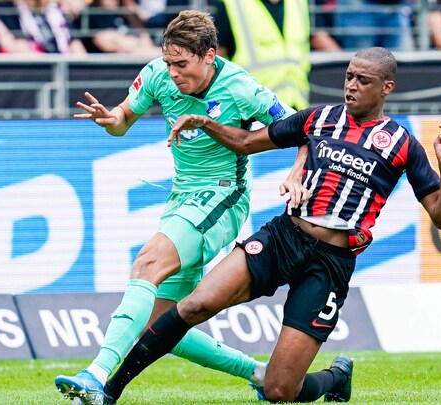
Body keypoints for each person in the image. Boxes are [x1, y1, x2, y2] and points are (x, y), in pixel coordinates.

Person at [98, 46, 441, 403]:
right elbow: (245, 142)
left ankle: (336, 377)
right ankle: (109, 389)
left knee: (279, 390)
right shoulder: (318, 118)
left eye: (363, 80)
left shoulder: (402, 144)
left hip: (329, 264)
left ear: (386, 88)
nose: (351, 86)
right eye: (349, 76)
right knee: (195, 305)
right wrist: (206, 122)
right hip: (284, 237)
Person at [54, 9, 306, 405]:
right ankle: (259, 374)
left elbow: (303, 128)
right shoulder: (157, 73)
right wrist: (111, 118)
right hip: (181, 195)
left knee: (147, 263)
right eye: (168, 62)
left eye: (182, 64)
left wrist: (295, 174)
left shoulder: (241, 87)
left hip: (223, 195)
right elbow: (123, 119)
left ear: (209, 56)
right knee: (158, 324)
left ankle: (96, 375)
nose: (172, 73)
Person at [213, 0, 310, 111]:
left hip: (298, 106)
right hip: (253, 109)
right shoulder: (231, 4)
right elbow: (215, 58)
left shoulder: (299, 3)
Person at [0, 0, 87, 54]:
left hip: (62, 64)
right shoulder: (8, 9)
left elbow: (75, 44)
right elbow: (16, 45)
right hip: (34, 68)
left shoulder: (56, 9)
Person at [73, 0, 160, 56]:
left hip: (138, 60)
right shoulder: (91, 12)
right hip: (108, 68)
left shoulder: (128, 11)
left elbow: (146, 40)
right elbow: (106, 45)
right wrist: (135, 43)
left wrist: (124, 41)